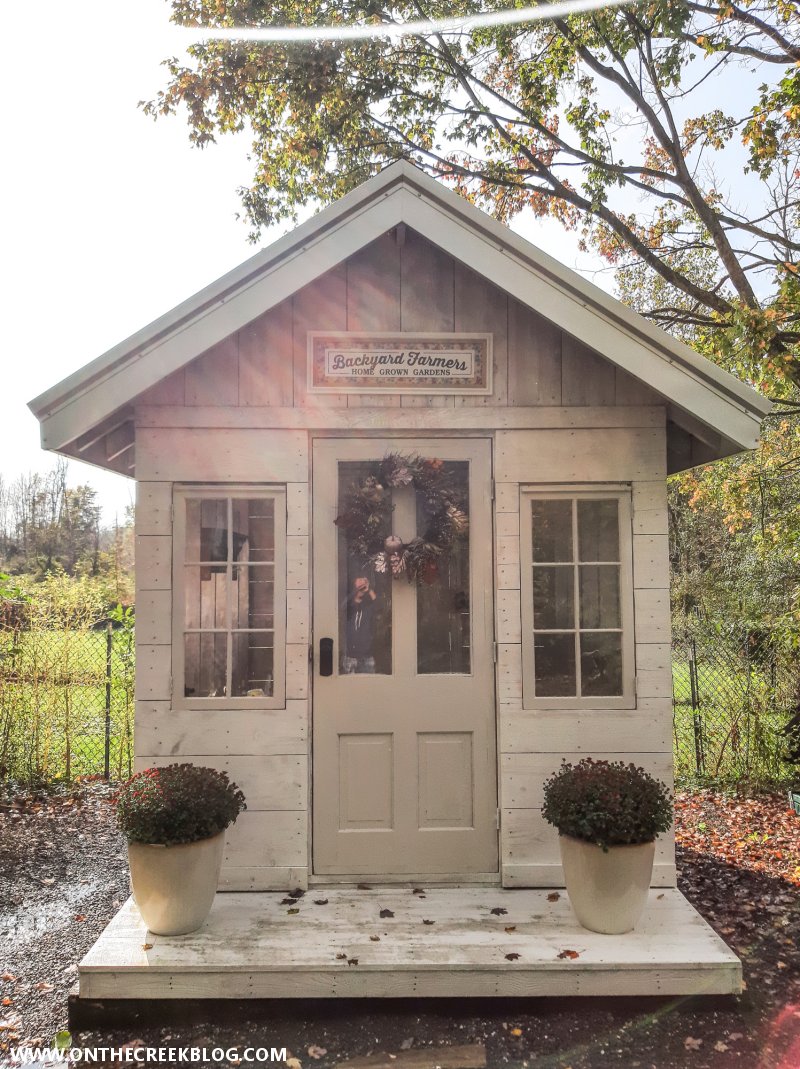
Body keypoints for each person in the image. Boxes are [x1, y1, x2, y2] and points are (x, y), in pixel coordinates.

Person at [343, 576, 378, 674]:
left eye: (363, 585)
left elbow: (379, 606)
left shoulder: (368, 608)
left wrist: (369, 589)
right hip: (351, 656)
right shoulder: (350, 606)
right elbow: (344, 608)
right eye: (359, 585)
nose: (362, 588)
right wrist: (357, 593)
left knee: (369, 686)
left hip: (367, 656)